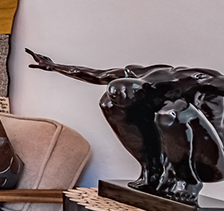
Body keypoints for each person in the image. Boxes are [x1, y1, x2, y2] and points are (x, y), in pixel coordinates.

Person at [27, 49, 224, 201]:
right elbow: (95, 74)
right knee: (107, 104)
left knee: (172, 111)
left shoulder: (188, 79)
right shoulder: (132, 73)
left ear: (142, 92)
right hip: (176, 147)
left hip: (213, 160)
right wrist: (53, 66)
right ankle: (152, 173)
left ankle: (187, 181)